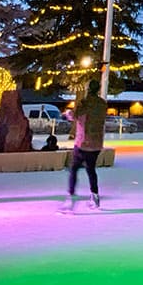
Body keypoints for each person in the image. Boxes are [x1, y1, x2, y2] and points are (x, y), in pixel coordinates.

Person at [61, 78, 107, 212]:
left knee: (74, 168)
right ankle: (95, 196)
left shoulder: (85, 103)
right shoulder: (102, 104)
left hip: (83, 142)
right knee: (91, 170)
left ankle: (70, 200)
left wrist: (68, 113)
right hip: (97, 142)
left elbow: (75, 116)